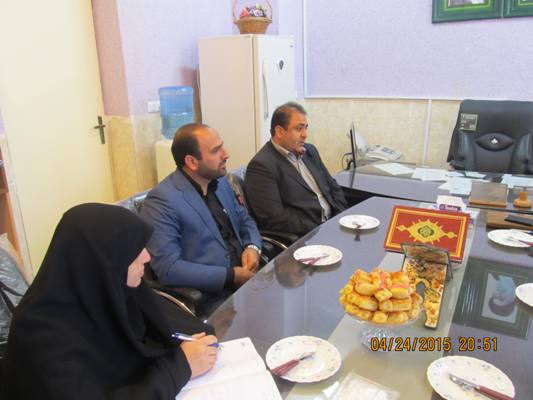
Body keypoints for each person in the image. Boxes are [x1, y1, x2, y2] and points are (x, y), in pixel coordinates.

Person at [1, 203, 218, 399]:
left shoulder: (114, 288)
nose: (147, 257)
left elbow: (186, 329)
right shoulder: (41, 334)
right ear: (102, 260)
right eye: (133, 250)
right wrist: (178, 368)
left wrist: (192, 351)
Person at [140, 123, 262, 306]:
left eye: (222, 146)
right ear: (191, 162)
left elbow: (244, 220)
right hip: (212, 297)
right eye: (216, 150)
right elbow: (169, 268)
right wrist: (230, 276)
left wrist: (252, 247)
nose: (226, 154)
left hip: (249, 281)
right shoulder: (161, 201)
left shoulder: (221, 182)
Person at [244, 102, 347, 237]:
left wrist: (342, 218)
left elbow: (332, 186)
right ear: (279, 131)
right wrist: (321, 229)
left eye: (306, 128)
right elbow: (275, 219)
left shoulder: (310, 151)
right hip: (308, 235)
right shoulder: (261, 166)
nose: (305, 134)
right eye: (299, 129)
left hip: (334, 224)